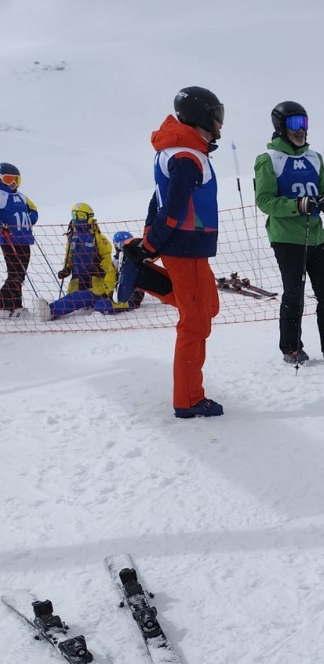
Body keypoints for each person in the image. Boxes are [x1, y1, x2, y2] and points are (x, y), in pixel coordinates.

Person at [123, 87, 225, 418]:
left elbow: (158, 198)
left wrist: (149, 242)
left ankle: (144, 276)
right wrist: (151, 244)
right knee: (195, 325)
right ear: (202, 117)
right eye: (216, 114)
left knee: (208, 305)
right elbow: (174, 207)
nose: (220, 121)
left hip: (191, 247)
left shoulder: (183, 152)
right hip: (184, 247)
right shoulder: (186, 157)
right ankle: (189, 399)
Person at [254, 100, 324, 365]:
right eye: (295, 123)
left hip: (317, 236)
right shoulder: (269, 159)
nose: (301, 129)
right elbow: (265, 200)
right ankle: (291, 347)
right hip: (286, 238)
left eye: (304, 123)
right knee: (294, 293)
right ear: (281, 127)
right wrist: (298, 205)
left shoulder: (314, 157)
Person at [35, 204, 120, 320]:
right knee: (75, 297)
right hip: (78, 280)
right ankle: (53, 309)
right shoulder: (73, 238)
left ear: (89, 217)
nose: (77, 219)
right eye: (74, 215)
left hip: (96, 283)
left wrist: (100, 269)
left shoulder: (99, 238)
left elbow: (107, 258)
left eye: (80, 216)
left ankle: (51, 311)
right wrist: (67, 269)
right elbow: (69, 257)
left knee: (78, 298)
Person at [0, 163, 38, 317]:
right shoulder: (1, 195)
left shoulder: (21, 196)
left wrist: (29, 219)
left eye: (16, 179)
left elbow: (33, 209)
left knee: (19, 275)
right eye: (9, 179)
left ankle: (15, 306)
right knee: (16, 274)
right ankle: (3, 303)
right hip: (9, 240)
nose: (13, 183)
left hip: (24, 239)